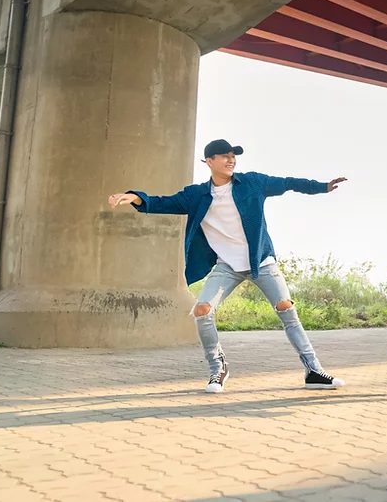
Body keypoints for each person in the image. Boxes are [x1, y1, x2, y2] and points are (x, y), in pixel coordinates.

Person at [108, 139, 346, 393]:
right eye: (224, 156)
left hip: (261, 262)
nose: (231, 160)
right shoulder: (196, 195)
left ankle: (313, 370)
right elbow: (162, 202)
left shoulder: (252, 183)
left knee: (285, 307)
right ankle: (218, 368)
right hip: (227, 266)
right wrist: (135, 197)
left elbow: (288, 183)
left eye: (233, 156)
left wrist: (322, 187)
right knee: (201, 310)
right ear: (209, 161)